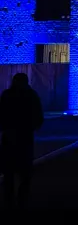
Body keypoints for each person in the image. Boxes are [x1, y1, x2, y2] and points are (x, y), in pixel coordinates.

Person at [0, 73, 44, 209]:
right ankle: (22, 201)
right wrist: (31, 127)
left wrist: (5, 127)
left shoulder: (7, 95)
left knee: (9, 173)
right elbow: (38, 117)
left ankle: (9, 202)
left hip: (9, 137)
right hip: (25, 137)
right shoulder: (31, 95)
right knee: (24, 172)